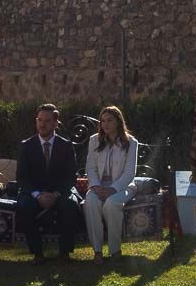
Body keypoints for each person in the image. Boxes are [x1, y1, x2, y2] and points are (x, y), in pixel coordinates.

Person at [16, 103, 80, 264]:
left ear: (56, 124)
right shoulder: (26, 146)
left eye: (47, 121)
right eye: (39, 120)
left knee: (71, 205)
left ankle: (64, 253)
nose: (42, 124)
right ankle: (37, 254)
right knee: (25, 206)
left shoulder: (66, 146)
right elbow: (22, 178)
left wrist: (56, 195)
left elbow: (70, 177)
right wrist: (38, 195)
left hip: (59, 192)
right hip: (34, 192)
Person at [83, 106, 139, 264]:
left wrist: (112, 189)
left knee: (111, 204)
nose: (105, 124)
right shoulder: (95, 140)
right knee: (91, 202)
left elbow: (129, 173)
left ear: (118, 122)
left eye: (109, 120)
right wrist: (95, 186)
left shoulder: (131, 142)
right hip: (98, 185)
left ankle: (115, 249)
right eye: (102, 121)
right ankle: (97, 250)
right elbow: (91, 167)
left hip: (122, 186)